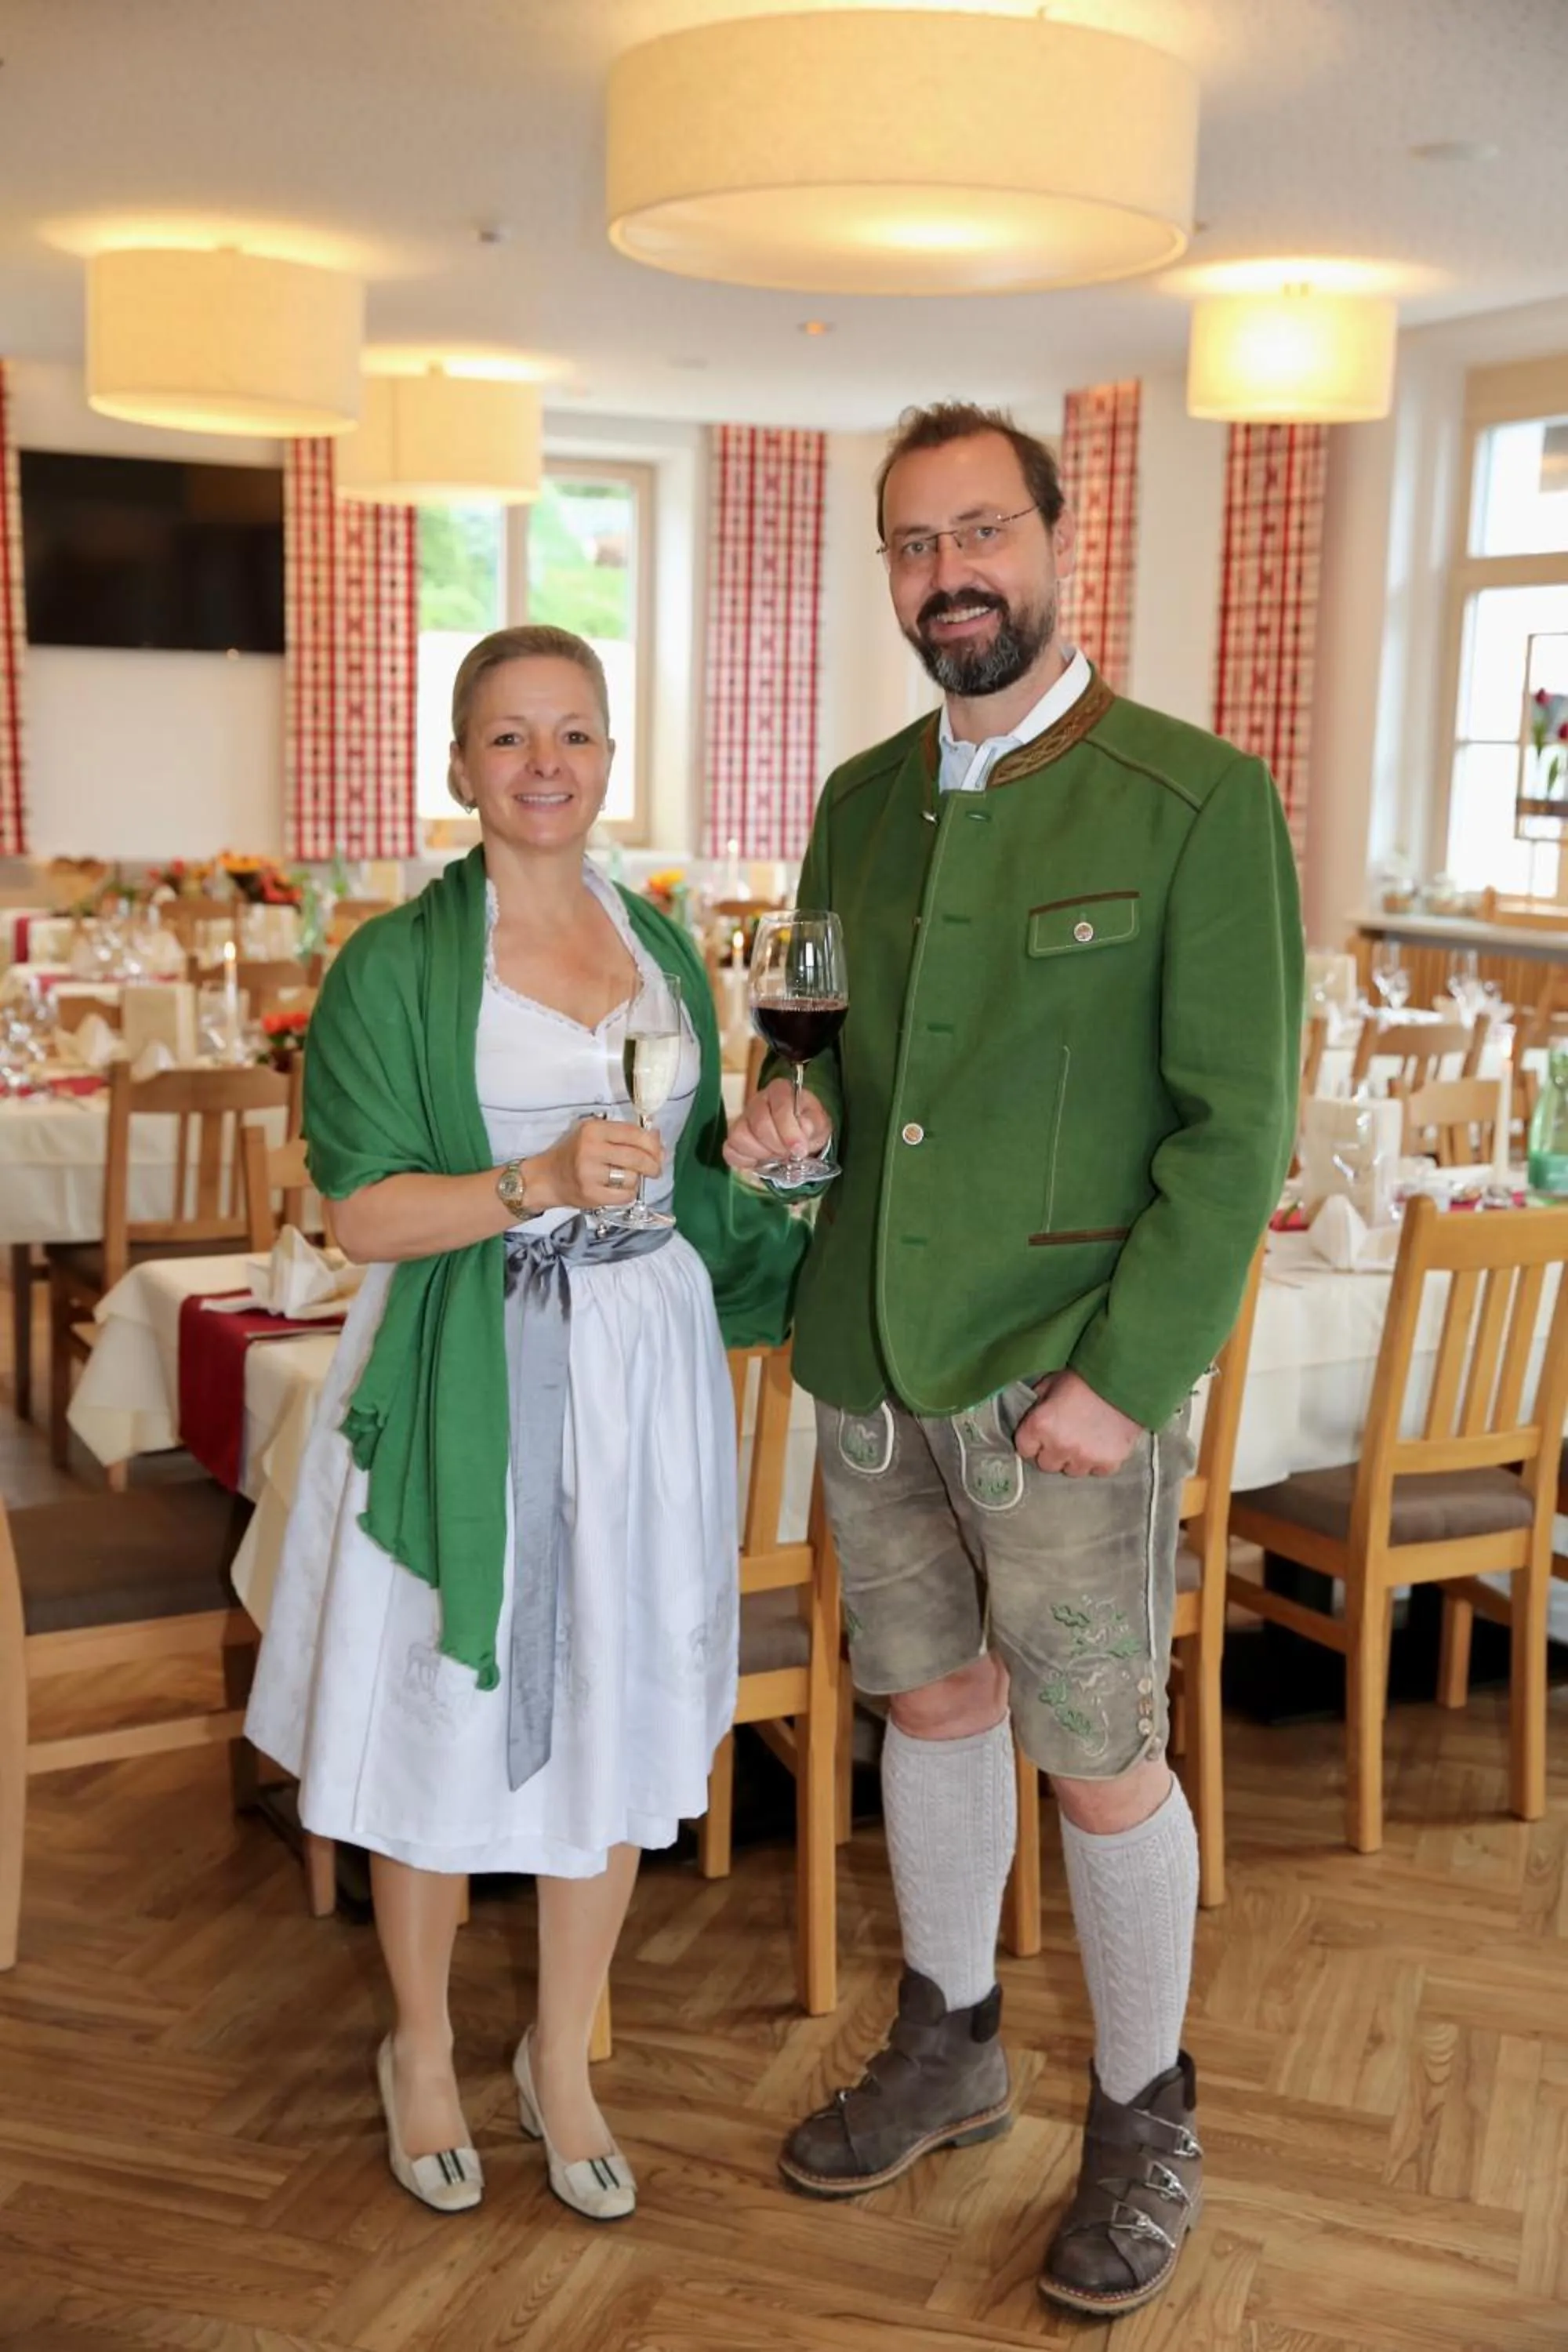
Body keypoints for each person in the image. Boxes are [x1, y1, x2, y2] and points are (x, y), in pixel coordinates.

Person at [726, 402, 1302, 2318]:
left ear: (1059, 544)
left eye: (981, 531)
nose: (948, 572)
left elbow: (1233, 1135)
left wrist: (1128, 1380)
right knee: (933, 1714)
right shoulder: (858, 801)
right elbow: (806, 1048)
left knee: (1101, 1760)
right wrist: (776, 1111)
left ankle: (1145, 2121)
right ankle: (954, 2042)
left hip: (1065, 1383)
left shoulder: (1195, 800)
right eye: (911, 543)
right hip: (871, 1361)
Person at [247, 623, 804, 2220]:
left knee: (618, 1698)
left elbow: (689, 1181)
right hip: (468, 1369)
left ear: (611, 758)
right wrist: (533, 1184)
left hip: (647, 1377)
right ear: (457, 766)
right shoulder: (394, 963)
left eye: (573, 734)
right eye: (508, 737)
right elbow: (359, 1216)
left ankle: (560, 2057)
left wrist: (754, 1167)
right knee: (435, 1707)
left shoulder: (664, 948)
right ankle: (420, 2044)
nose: (543, 764)